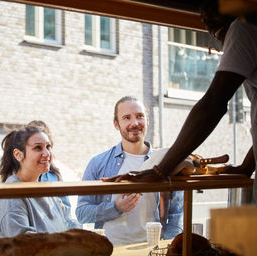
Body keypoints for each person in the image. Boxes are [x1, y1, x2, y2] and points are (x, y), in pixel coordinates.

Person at [103, 1, 257, 203]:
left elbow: (213, 103)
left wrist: (160, 170)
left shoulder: (245, 25)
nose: (204, 17)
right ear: (116, 124)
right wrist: (247, 167)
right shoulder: (101, 162)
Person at [75, 96, 183, 245]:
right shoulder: (98, 163)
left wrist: (169, 249)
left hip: (152, 250)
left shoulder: (165, 163)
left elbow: (177, 214)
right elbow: (82, 213)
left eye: (140, 116)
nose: (134, 123)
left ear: (147, 120)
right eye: (126, 118)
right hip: (110, 249)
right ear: (116, 124)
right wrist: (115, 207)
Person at [0, 126, 79, 238]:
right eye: (38, 148)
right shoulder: (11, 195)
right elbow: (23, 244)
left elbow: (67, 224)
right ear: (18, 155)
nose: (47, 153)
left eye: (48, 146)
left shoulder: (47, 190)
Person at [26, 120, 77, 228]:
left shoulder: (54, 176)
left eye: (48, 147)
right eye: (37, 147)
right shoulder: (19, 180)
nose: (45, 154)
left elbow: (66, 215)